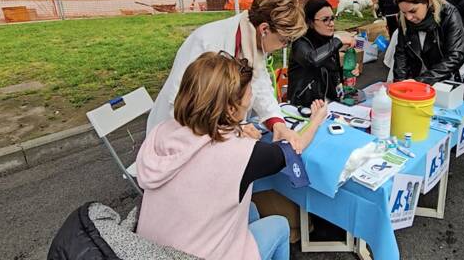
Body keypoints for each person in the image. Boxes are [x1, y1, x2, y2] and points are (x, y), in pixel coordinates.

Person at [137, 52, 327, 260]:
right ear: (230, 108)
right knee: (279, 224)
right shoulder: (241, 154)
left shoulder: (161, 131)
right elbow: (293, 148)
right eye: (248, 92)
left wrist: (234, 131)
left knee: (251, 209)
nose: (250, 98)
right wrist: (316, 120)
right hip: (195, 254)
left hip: (149, 250)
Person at [147, 0, 309, 153]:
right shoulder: (207, 42)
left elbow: (259, 83)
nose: (285, 46)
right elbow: (182, 104)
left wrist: (277, 123)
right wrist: (233, 129)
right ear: (265, 29)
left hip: (216, 135)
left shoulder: (254, 40)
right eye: (284, 41)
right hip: (179, 138)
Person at [392, 0, 464, 84]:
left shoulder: (449, 14)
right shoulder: (403, 19)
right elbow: (401, 53)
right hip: (417, 78)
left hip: (445, 80)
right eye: (404, 12)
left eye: (413, 11)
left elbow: (455, 56)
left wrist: (421, 81)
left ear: (427, 1)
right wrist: (399, 83)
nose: (408, 17)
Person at [287, 0, 357, 107]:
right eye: (325, 20)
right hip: (303, 106)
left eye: (332, 18)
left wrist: (348, 72)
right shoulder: (300, 43)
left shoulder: (330, 42)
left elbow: (333, 73)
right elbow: (312, 60)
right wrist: (338, 41)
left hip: (330, 104)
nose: (331, 24)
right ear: (310, 23)